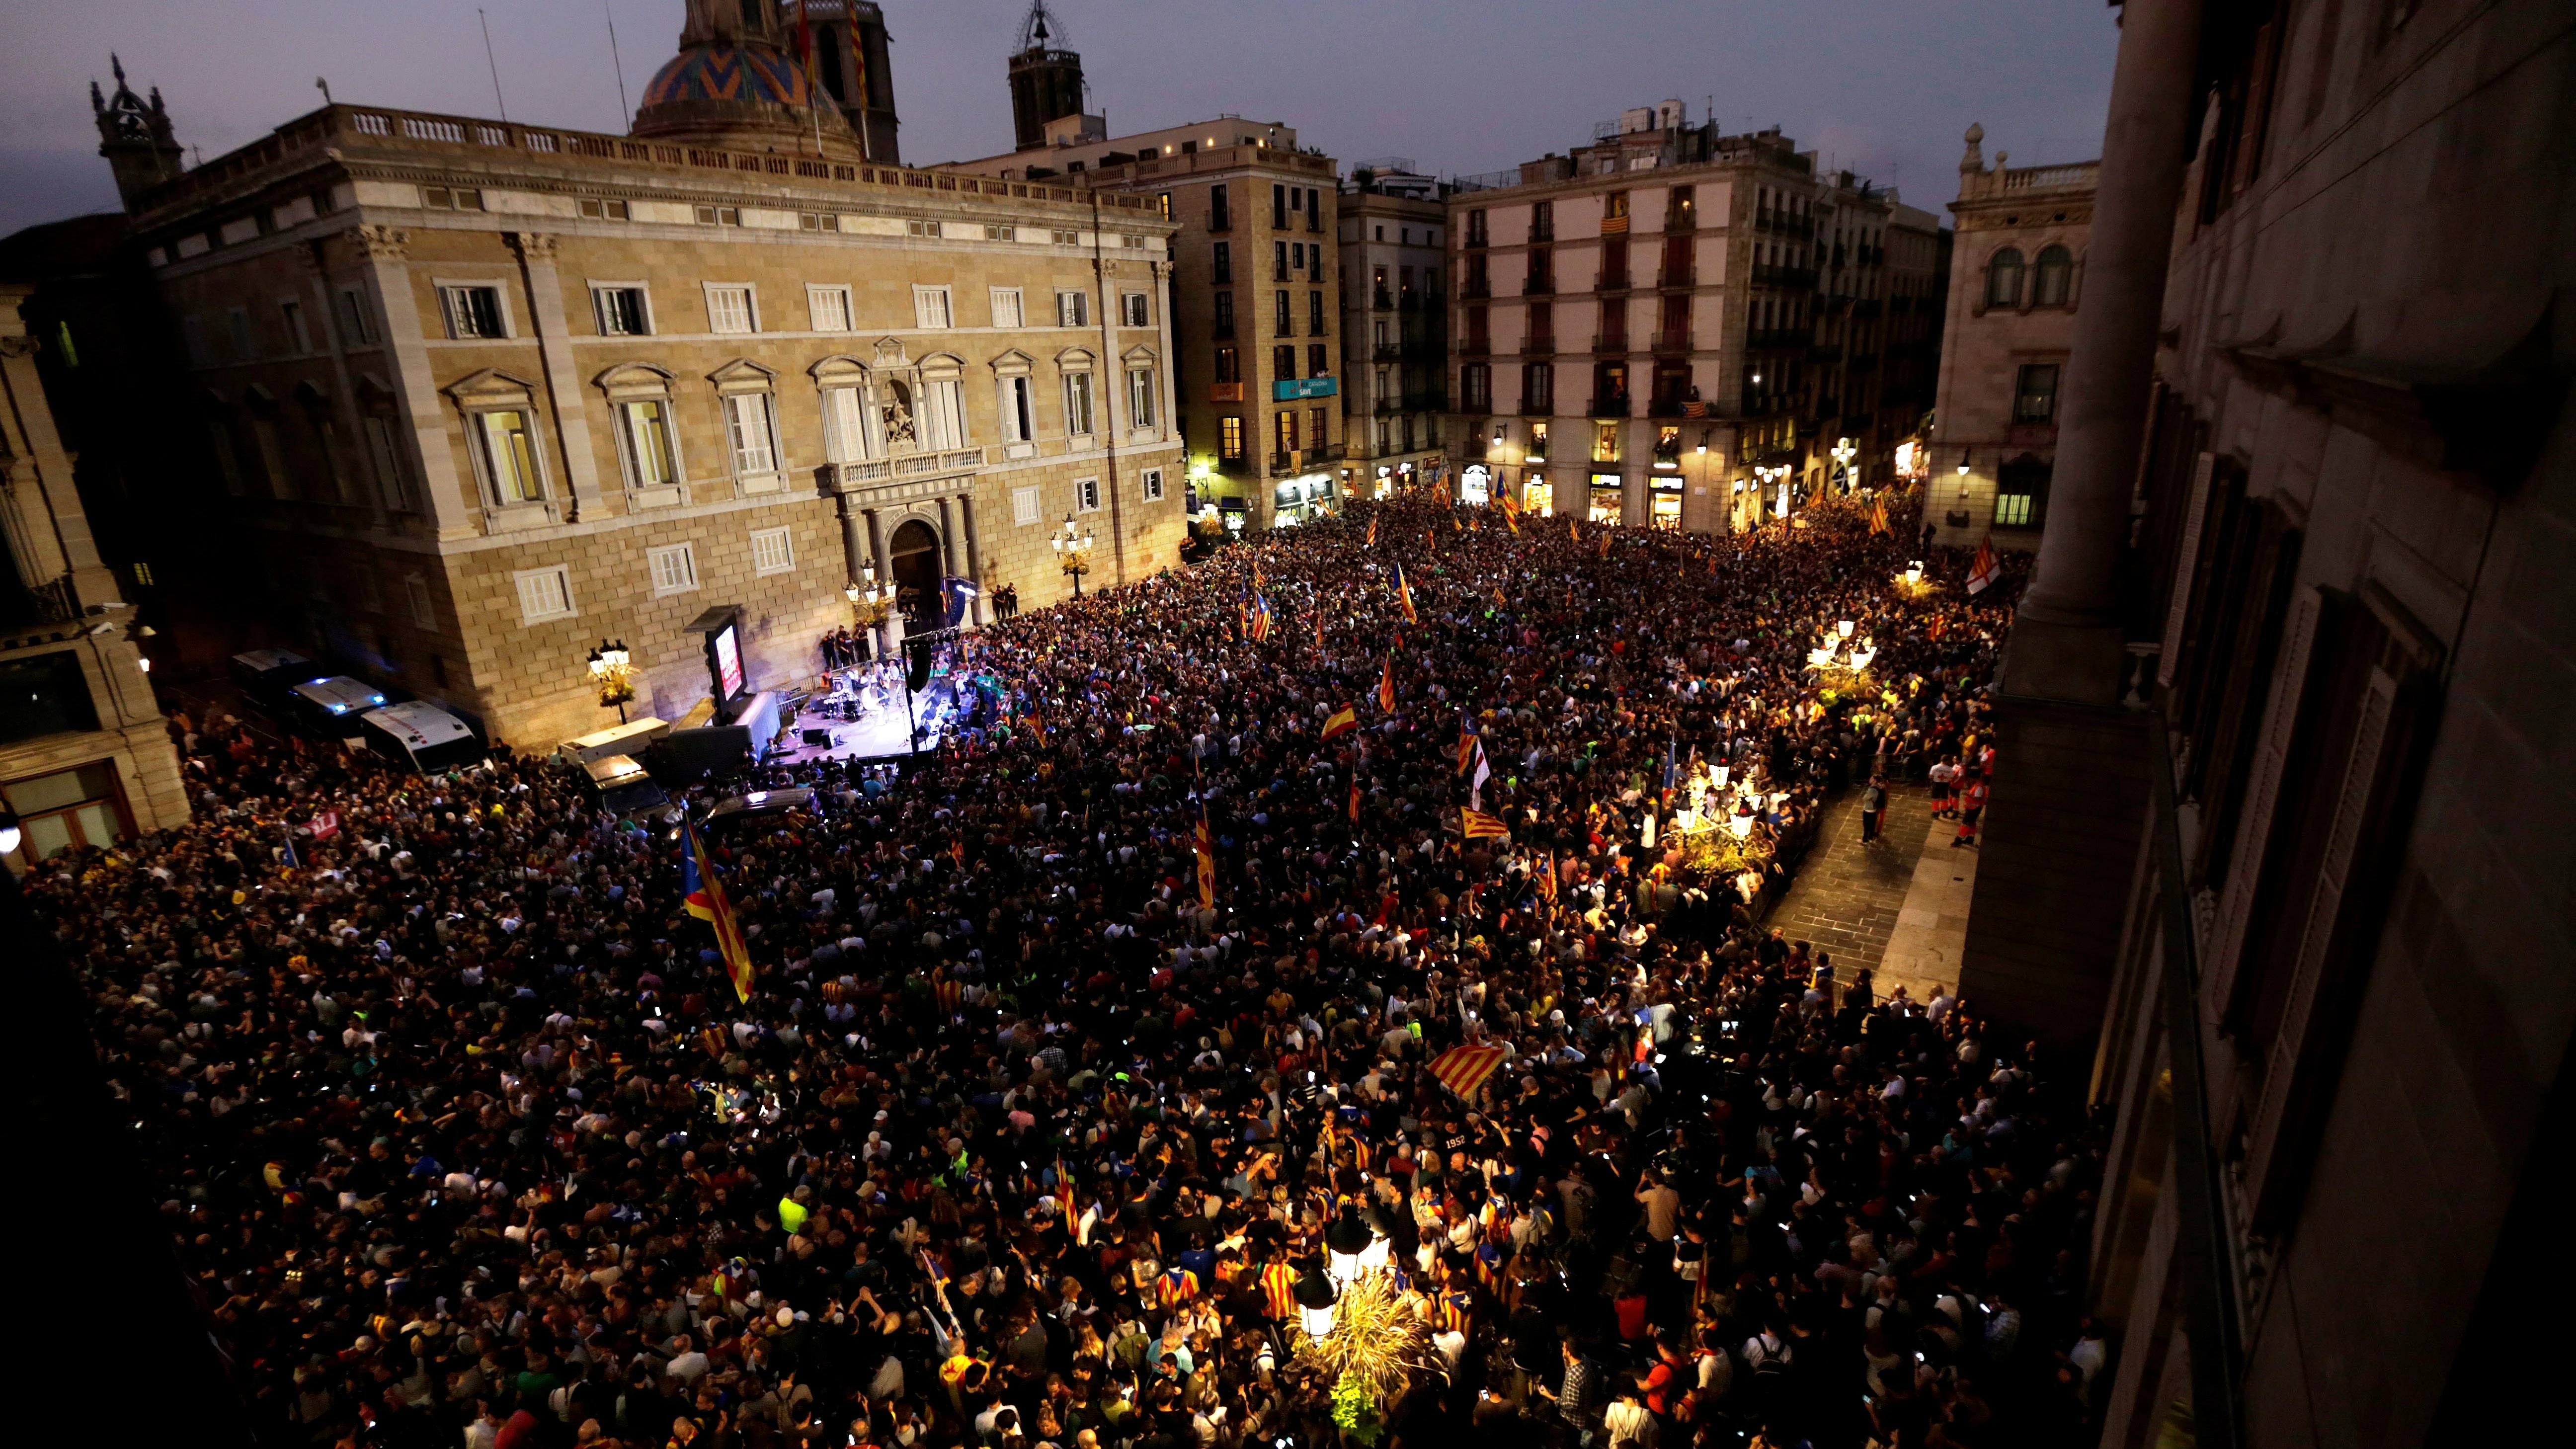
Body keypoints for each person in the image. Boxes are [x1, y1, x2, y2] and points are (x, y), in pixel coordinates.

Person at [1860, 772, 1888, 843]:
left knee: (1867, 825)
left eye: (1872, 778)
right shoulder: (1880, 787)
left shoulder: (1872, 789)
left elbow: (1865, 798)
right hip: (1874, 808)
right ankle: (1871, 838)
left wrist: (1866, 796)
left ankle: (1865, 840)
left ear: (1875, 781)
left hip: (1869, 808)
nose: (1870, 779)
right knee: (1872, 824)